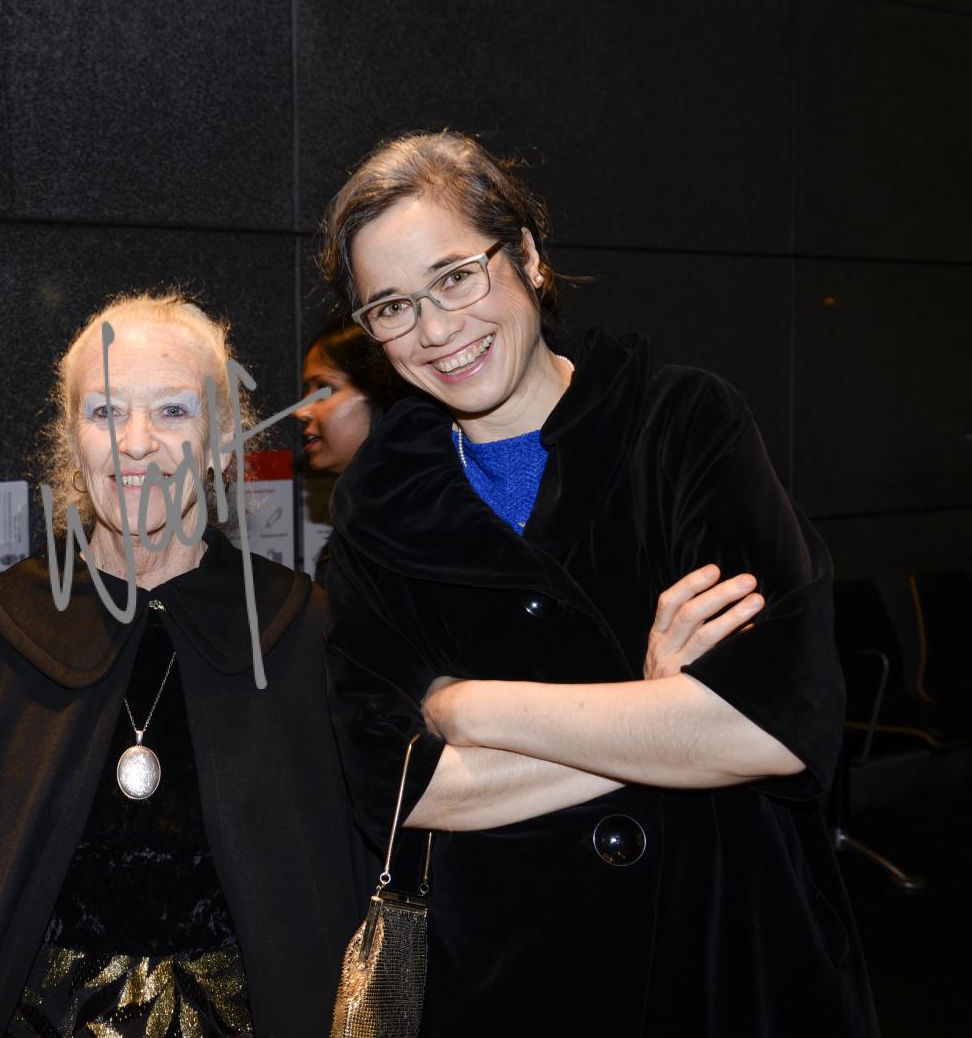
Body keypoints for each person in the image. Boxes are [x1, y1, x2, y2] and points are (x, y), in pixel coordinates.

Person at [318, 132, 877, 1036]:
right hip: (515, 982)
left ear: (527, 256)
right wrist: (656, 711)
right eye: (392, 306)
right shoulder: (377, 513)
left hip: (724, 953)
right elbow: (403, 793)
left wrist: (471, 708)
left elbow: (775, 727)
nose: (435, 330)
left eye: (455, 276)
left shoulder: (682, 427)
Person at [0, 293, 373, 1038]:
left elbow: (327, 907)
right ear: (73, 442)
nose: (136, 443)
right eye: (105, 412)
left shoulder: (304, 635)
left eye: (172, 411)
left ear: (222, 442)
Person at [296, 316, 417, 579]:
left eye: (324, 389)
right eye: (307, 390)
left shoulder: (418, 523)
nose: (301, 411)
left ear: (382, 393)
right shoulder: (363, 517)